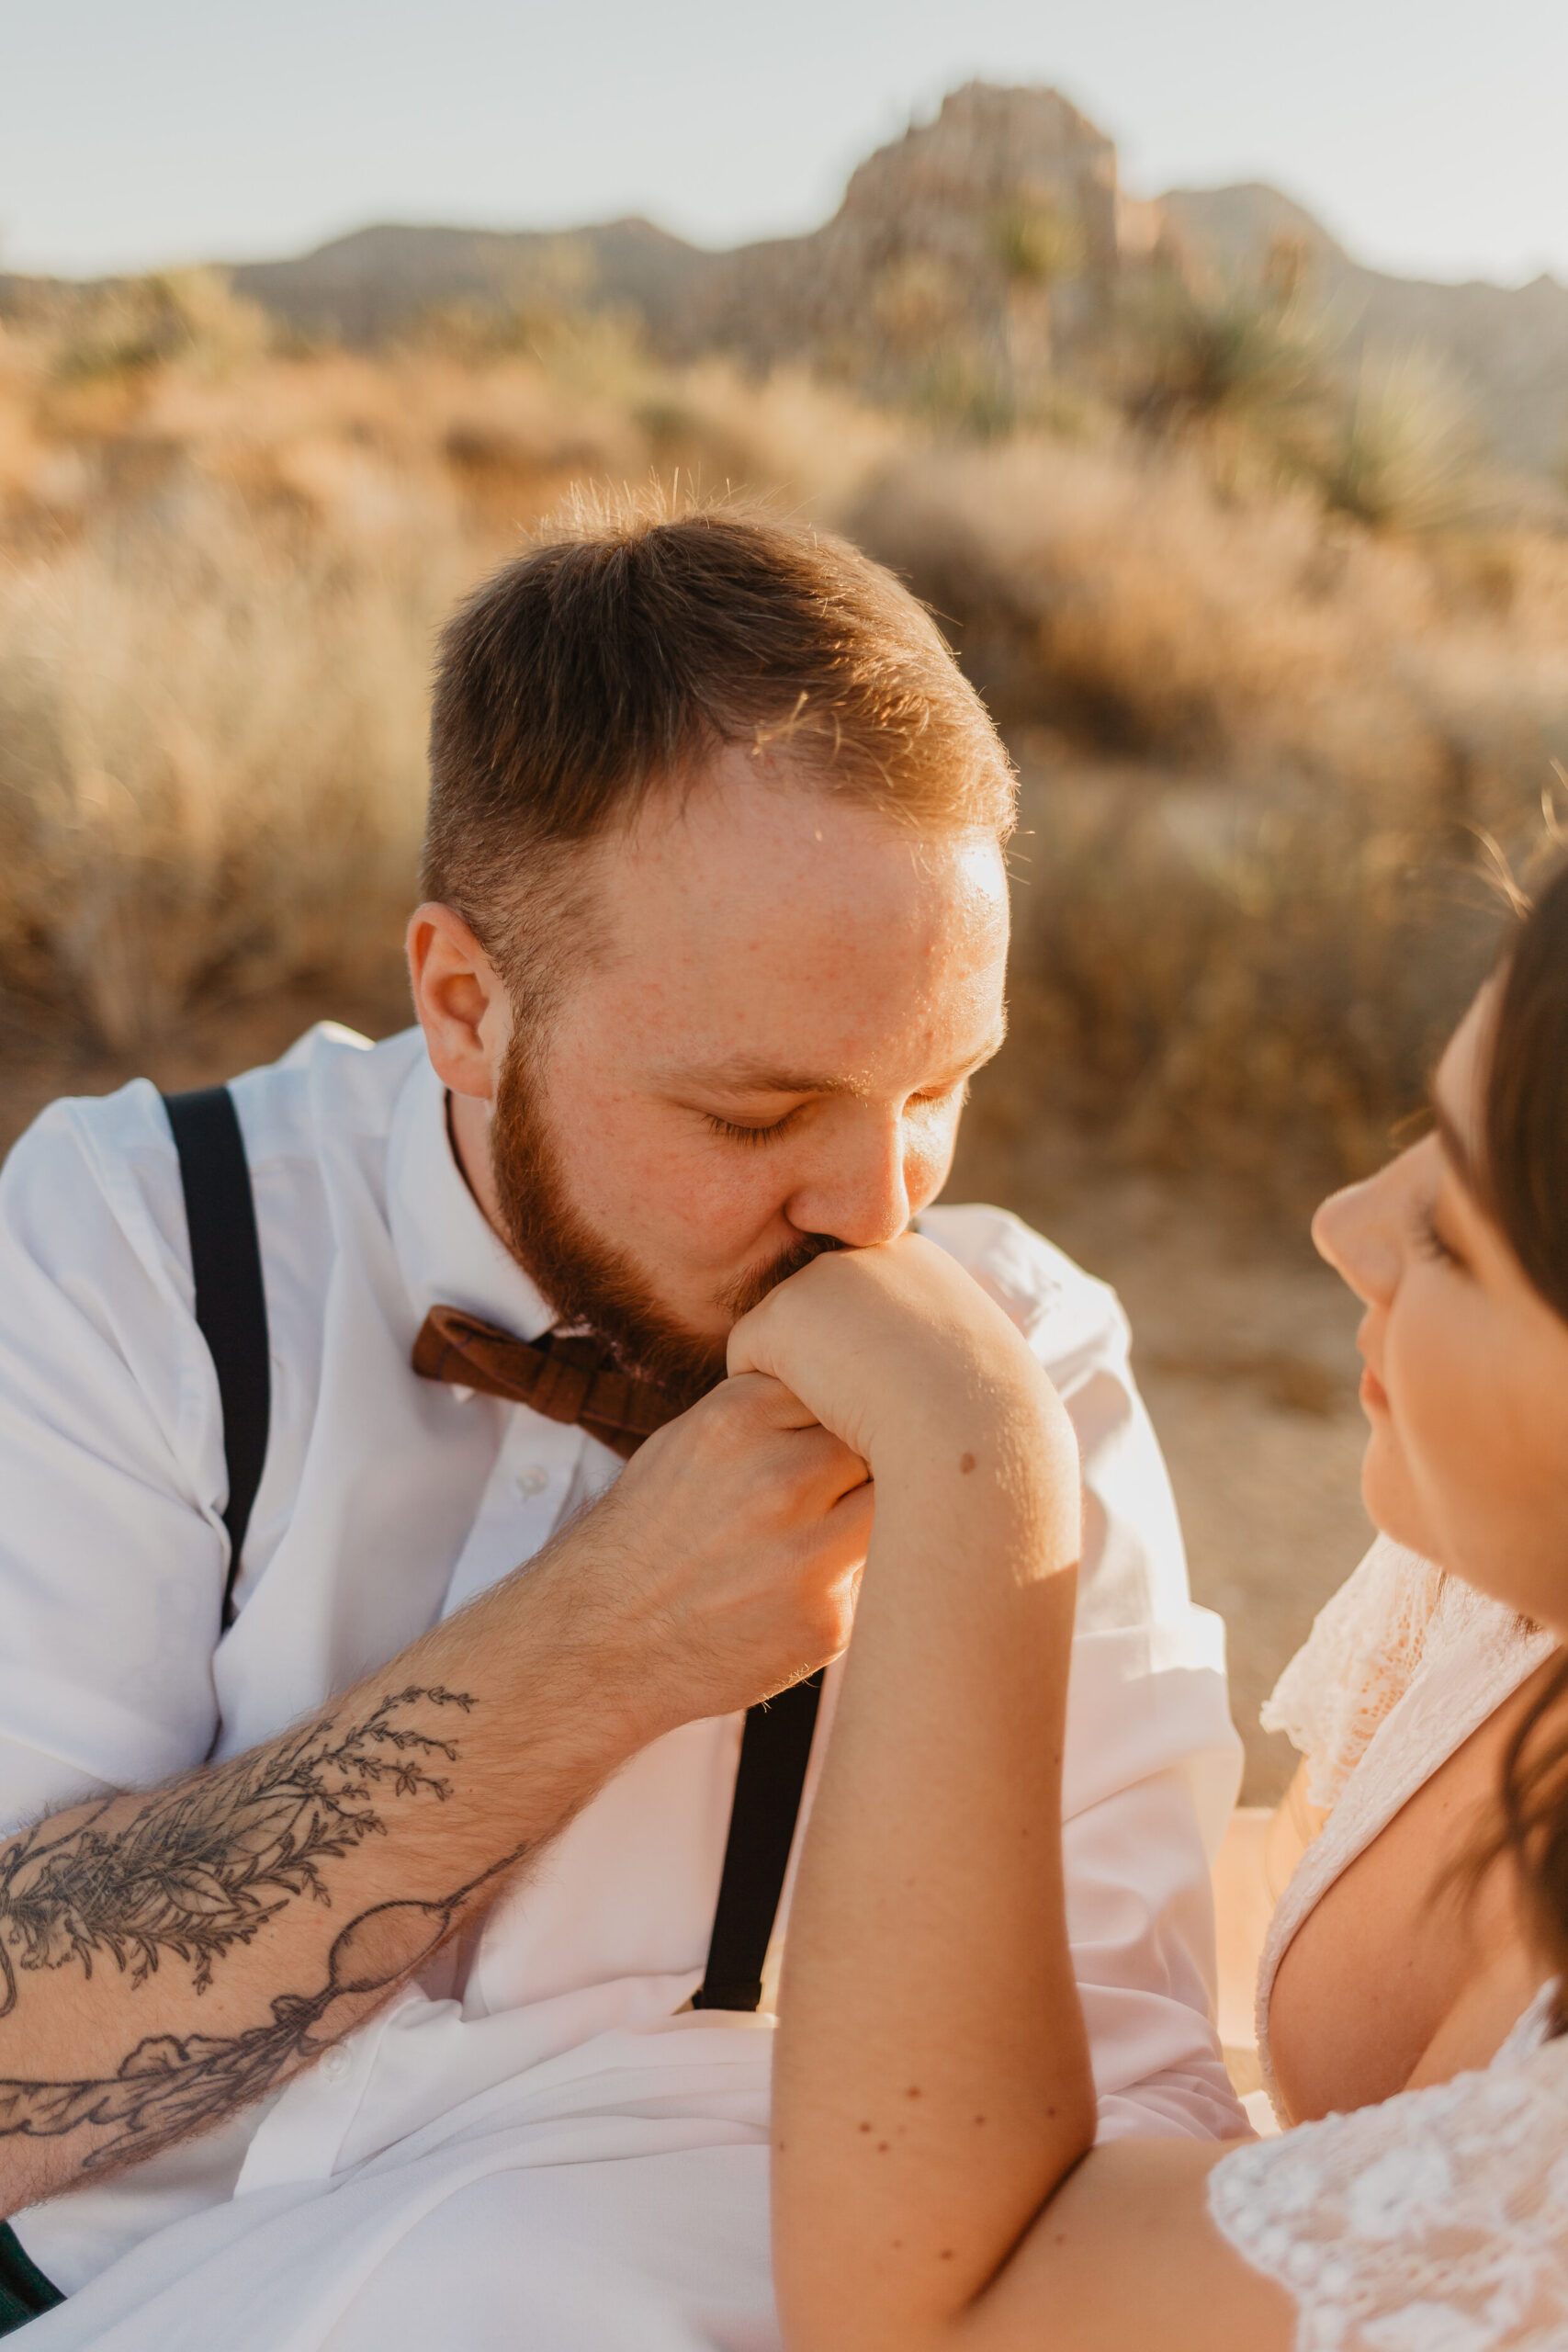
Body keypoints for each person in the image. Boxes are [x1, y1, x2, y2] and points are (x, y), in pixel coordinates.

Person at [0, 502, 1243, 2349]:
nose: (874, 1206)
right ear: (463, 1002)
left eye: (939, 1085)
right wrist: (599, 1647)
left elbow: (1123, 2118)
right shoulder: (137, 1243)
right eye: (756, 1115)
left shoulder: (1018, 1366)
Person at [762, 853, 1568, 2352]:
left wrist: (981, 1461)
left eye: (1457, 1229)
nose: (1345, 1222)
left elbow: (928, 2314)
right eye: (1418, 1138)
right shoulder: (1502, 1581)